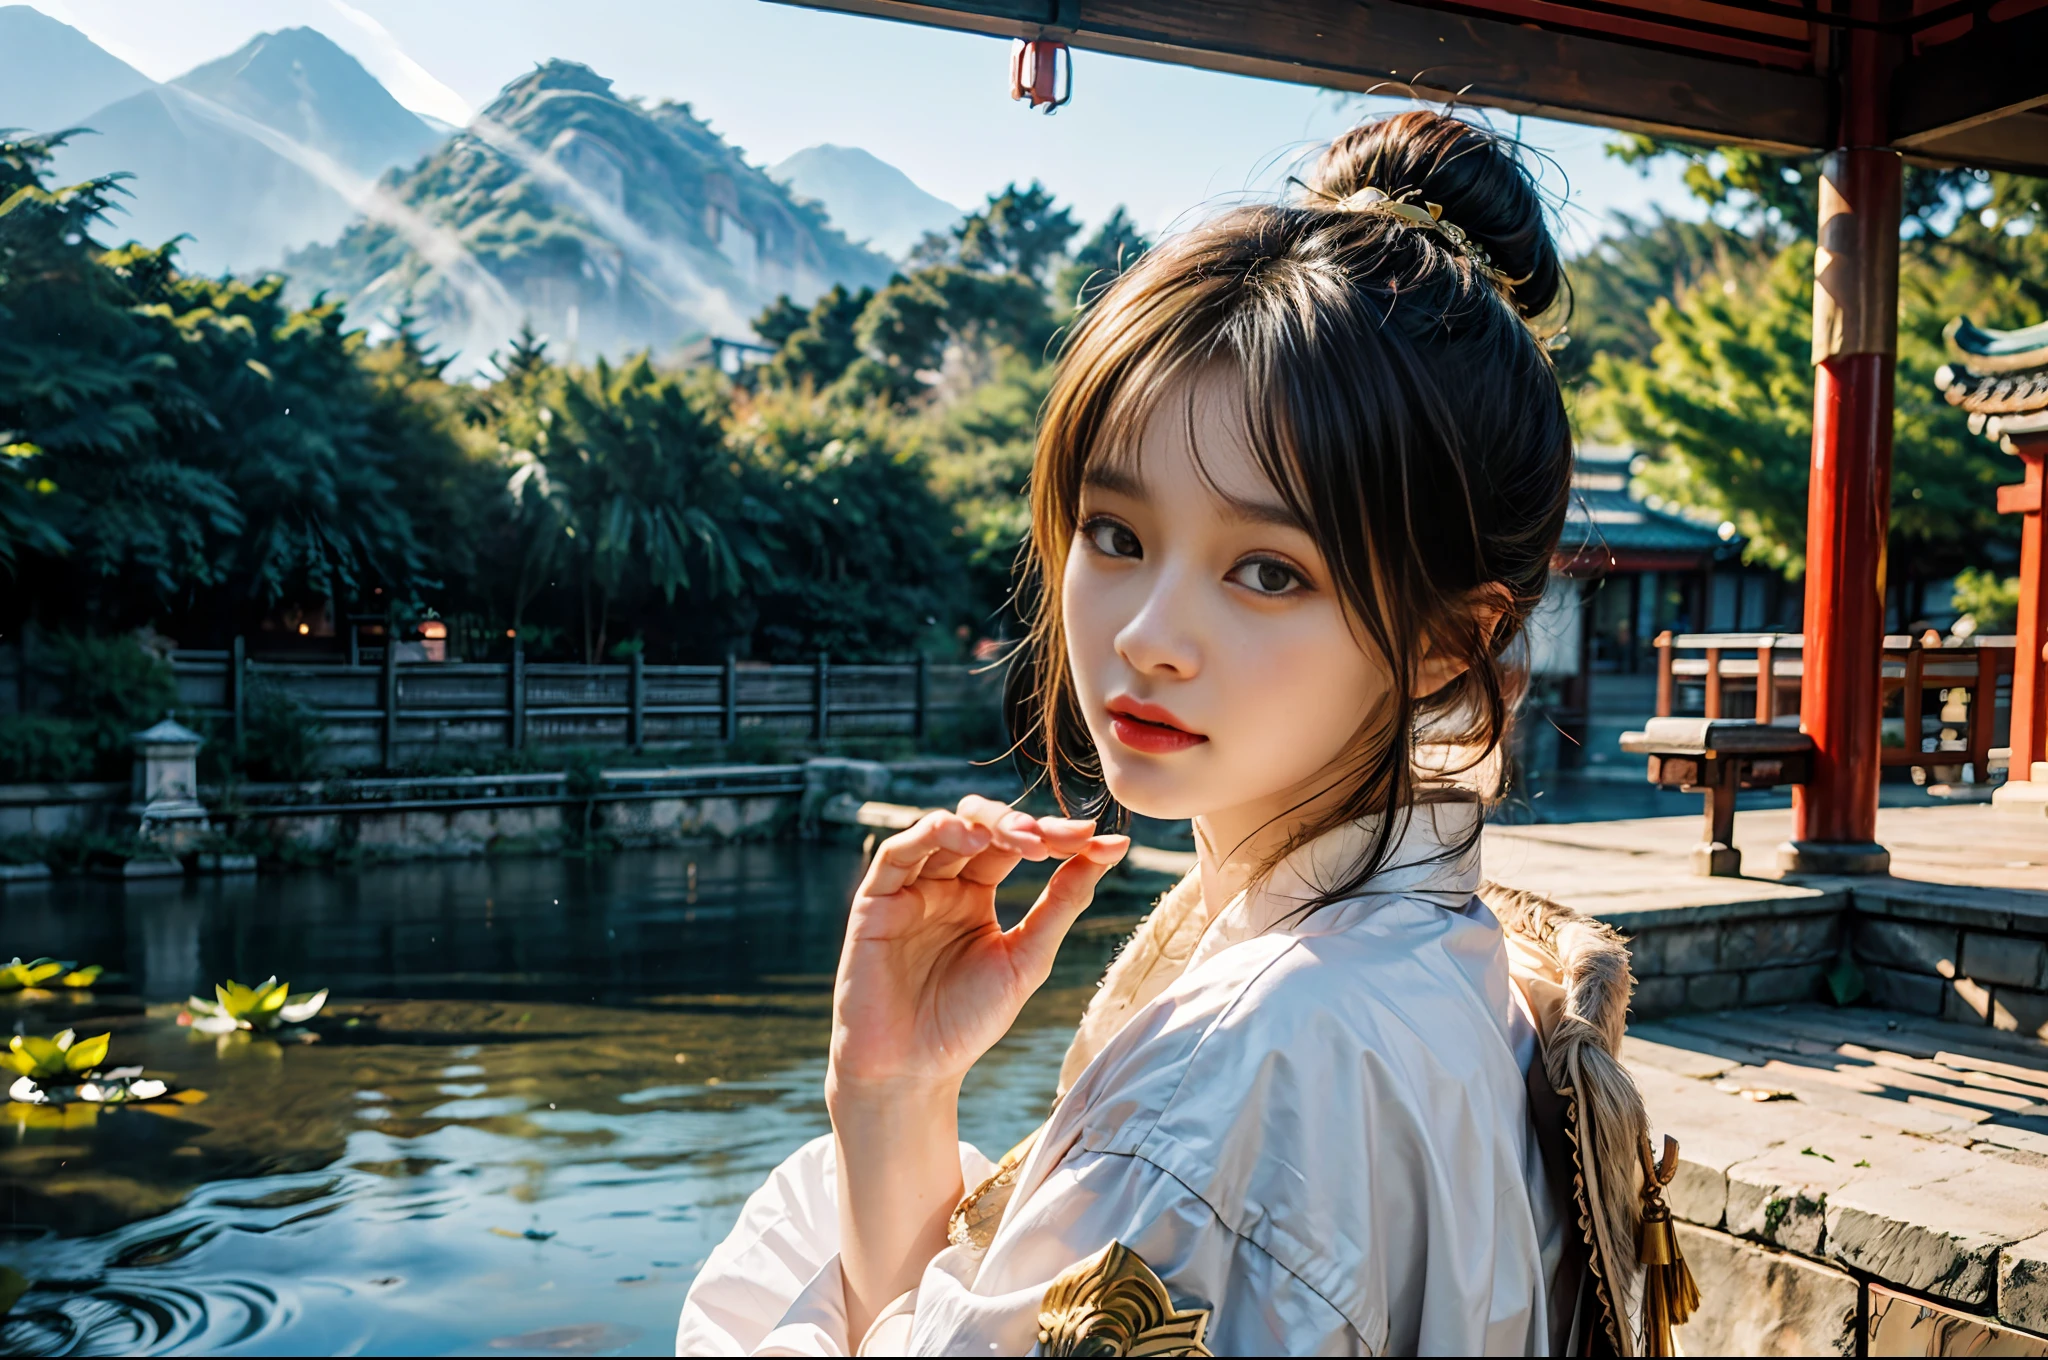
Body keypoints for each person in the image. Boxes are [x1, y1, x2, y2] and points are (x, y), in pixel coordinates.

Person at [678, 109, 1688, 1357]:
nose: (1148, 632)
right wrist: (895, 1092)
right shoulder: (1446, 968)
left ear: (1449, 644)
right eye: (1115, 534)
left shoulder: (1240, 1075)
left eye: (1266, 570)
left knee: (784, 1235)